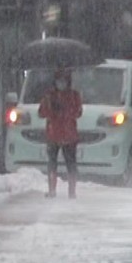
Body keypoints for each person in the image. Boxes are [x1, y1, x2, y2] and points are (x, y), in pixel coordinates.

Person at [38, 69, 83, 199]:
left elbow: (78, 112)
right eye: (59, 80)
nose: (61, 83)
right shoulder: (50, 96)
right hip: (58, 134)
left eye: (63, 80)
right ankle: (53, 190)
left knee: (69, 164)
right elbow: (42, 113)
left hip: (65, 135)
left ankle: (71, 191)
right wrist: (49, 104)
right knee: (55, 163)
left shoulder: (74, 96)